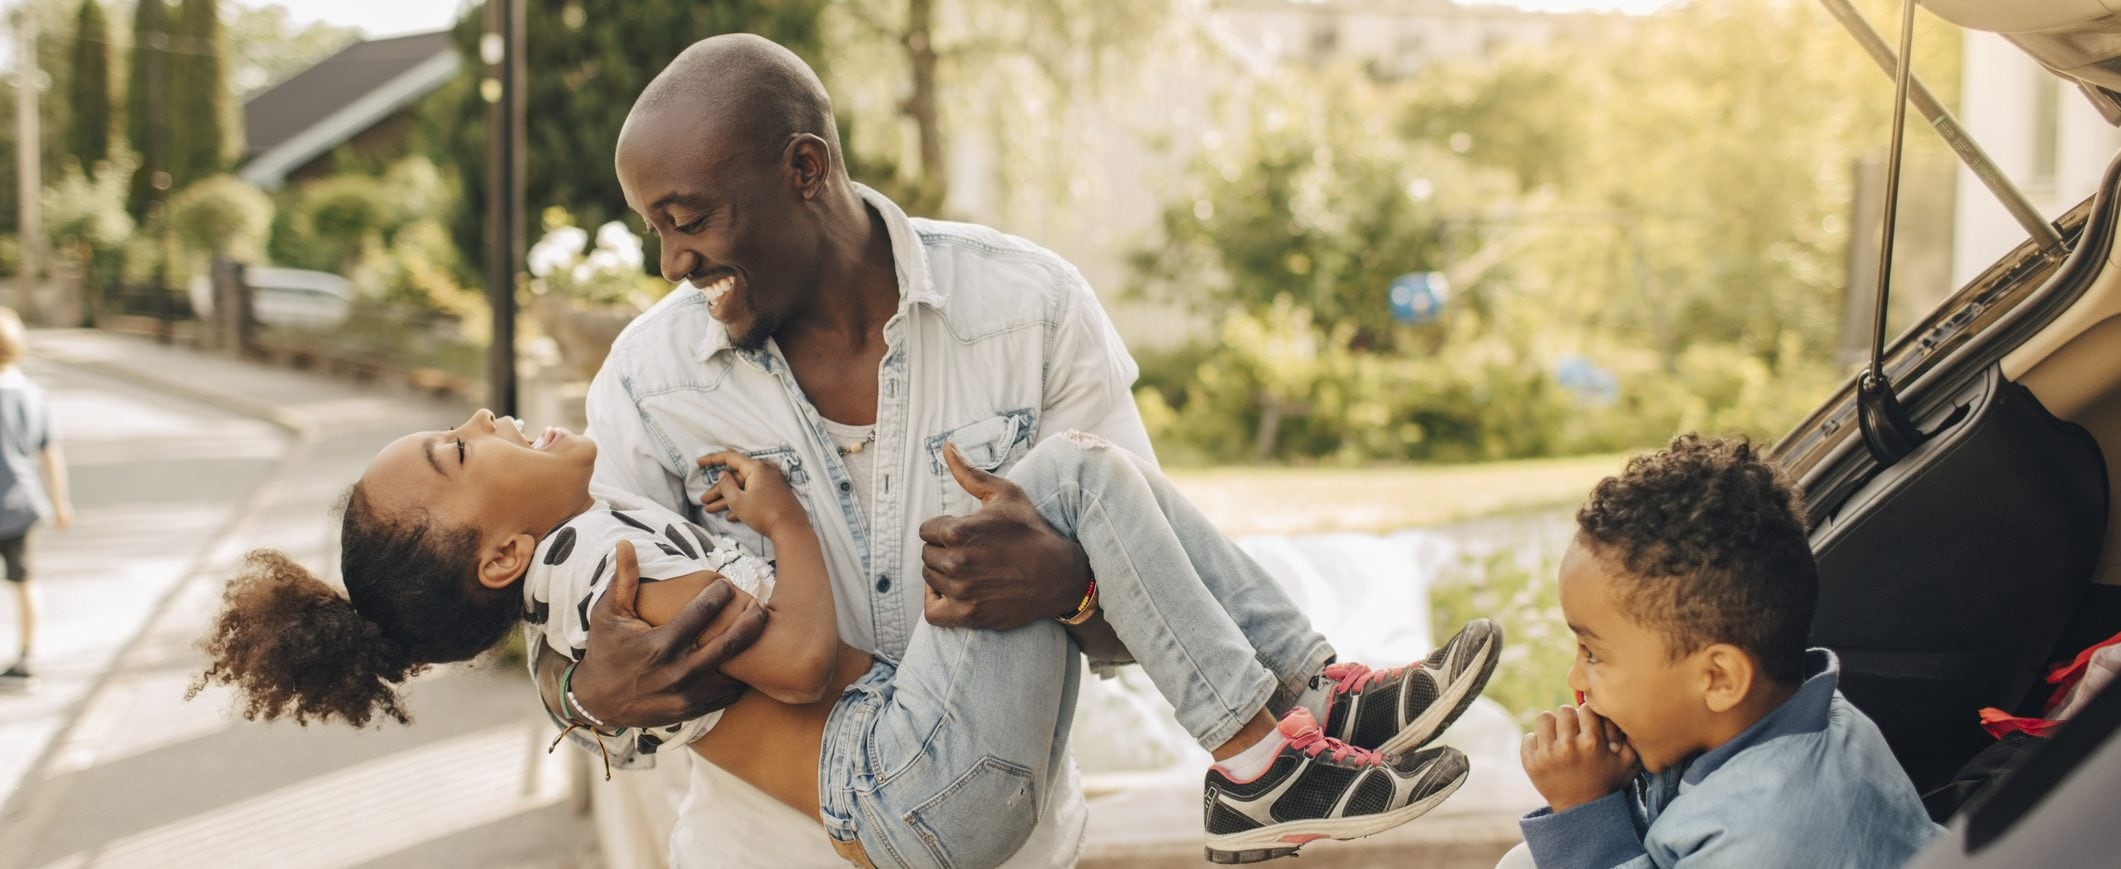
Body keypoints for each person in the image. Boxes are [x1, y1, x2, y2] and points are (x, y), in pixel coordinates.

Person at [529, 32, 1344, 866]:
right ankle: (1308, 709)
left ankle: (1312, 704)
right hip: (758, 850)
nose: (671, 261)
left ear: (803, 170)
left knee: (1084, 479)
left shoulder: (1032, 311)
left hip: (1004, 845)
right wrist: (579, 694)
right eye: (655, 229)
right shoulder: (646, 379)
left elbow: (1160, 609)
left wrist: (1067, 586)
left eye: (689, 219)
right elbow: (576, 622)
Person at [190, 408, 1505, 866]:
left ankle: (1315, 699)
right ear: (496, 554)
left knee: (1073, 470)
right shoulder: (608, 574)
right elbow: (804, 664)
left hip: (917, 766)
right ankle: (1262, 752)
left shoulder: (599, 544)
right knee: (1077, 478)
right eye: (456, 450)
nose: (485, 418)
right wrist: (784, 524)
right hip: (904, 788)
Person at [1497, 434, 1943, 868]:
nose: (1575, 678)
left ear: (1719, 679)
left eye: (1593, 654)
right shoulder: (1773, 717)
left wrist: (1584, 808)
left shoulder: (1771, 835)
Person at [0, 309, 73, 681]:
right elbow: (51, 453)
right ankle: (28, 654)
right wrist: (61, 503)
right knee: (25, 581)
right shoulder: (33, 395)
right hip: (24, 507)